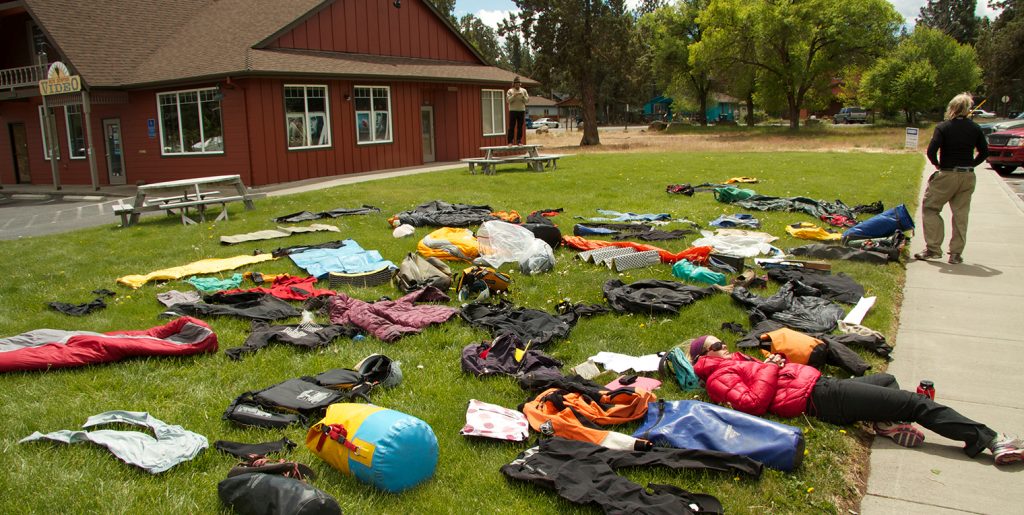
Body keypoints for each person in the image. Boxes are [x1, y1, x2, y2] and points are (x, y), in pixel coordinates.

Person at [687, 335, 1023, 466]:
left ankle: (883, 424)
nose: (724, 347)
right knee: (915, 403)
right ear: (705, 355)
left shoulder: (732, 364)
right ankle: (989, 439)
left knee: (886, 381)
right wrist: (771, 368)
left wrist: (767, 366)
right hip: (822, 399)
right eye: (717, 346)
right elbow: (753, 403)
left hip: (825, 386)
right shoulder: (718, 377)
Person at [918, 92, 989, 264]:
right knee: (961, 215)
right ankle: (956, 253)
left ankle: (933, 249)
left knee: (931, 208)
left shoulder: (943, 127)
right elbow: (985, 152)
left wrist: (937, 165)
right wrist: (971, 163)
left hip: (948, 173)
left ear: (952, 108)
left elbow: (931, 151)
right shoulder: (975, 128)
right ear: (967, 109)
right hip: (967, 176)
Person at [506, 77, 529, 145]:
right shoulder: (510, 91)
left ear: (520, 84)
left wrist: (523, 97)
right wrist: (514, 95)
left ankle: (519, 141)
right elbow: (508, 100)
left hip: (521, 110)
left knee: (520, 126)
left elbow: (527, 100)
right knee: (511, 126)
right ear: (514, 84)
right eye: (516, 83)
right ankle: (510, 142)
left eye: (518, 83)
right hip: (513, 111)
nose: (517, 85)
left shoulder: (524, 91)